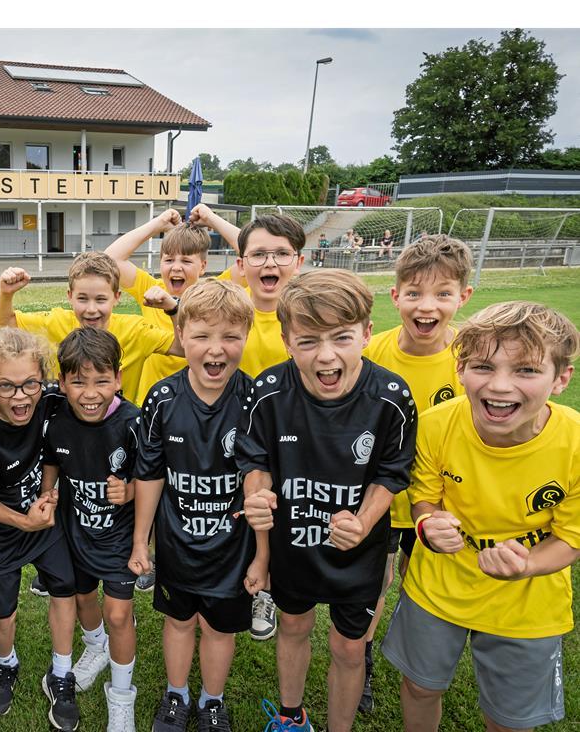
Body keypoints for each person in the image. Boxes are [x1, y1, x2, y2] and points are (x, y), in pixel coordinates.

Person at [382, 301, 580, 732]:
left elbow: (570, 538)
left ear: (561, 378)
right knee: (419, 687)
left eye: (526, 371)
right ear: (461, 369)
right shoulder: (435, 425)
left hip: (529, 605)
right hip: (438, 588)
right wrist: (427, 524)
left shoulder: (576, 443)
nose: (500, 386)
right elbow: (424, 499)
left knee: (509, 719)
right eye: (484, 367)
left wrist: (527, 564)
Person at [238, 269, 417, 732]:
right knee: (293, 627)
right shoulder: (268, 391)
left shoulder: (392, 396)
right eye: (308, 340)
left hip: (357, 552)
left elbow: (392, 471)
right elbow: (255, 461)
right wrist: (258, 500)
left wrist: (363, 519)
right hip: (293, 541)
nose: (326, 355)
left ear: (366, 333)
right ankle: (291, 717)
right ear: (285, 340)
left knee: (349, 647)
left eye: (341, 337)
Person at [129, 280, 264, 732]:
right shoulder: (163, 399)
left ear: (246, 336)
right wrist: (140, 542)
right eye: (202, 335)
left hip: (232, 546)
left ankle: (211, 701)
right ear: (181, 335)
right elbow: (150, 474)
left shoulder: (255, 400)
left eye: (230, 336)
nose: (216, 349)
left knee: (220, 628)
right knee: (180, 621)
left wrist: (263, 556)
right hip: (177, 541)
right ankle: (176, 695)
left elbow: (259, 481)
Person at [358, 234, 474, 713]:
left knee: (420, 583)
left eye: (443, 294)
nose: (428, 306)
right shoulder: (375, 354)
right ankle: (361, 660)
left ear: (464, 297)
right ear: (395, 296)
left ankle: (416, 662)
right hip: (381, 498)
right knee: (375, 584)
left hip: (441, 503)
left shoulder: (472, 360)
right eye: (415, 293)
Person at [0, 328, 80, 730]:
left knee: (64, 587)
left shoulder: (49, 400)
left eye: (29, 384)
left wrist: (48, 495)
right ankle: (6, 665)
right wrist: (22, 519)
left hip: (44, 521)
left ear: (43, 378)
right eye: (7, 387)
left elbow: (52, 448)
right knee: (2, 613)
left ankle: (61, 673)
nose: (21, 397)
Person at [42, 327, 141, 731]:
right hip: (75, 531)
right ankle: (95, 647)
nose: (90, 392)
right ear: (62, 381)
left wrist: (130, 489)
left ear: (118, 378)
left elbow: (157, 478)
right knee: (83, 598)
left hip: (119, 538)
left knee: (119, 616)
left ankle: (121, 698)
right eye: (77, 381)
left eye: (102, 380)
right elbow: (52, 459)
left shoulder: (133, 422)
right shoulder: (57, 419)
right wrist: (48, 493)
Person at [235, 213, 307, 641]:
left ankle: (272, 591)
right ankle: (241, 586)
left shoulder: (308, 316)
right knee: (242, 517)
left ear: (299, 262)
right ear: (240, 263)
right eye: (259, 254)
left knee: (287, 522)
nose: (271, 264)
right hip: (236, 439)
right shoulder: (232, 309)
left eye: (282, 254)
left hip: (294, 438)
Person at [0, 251, 182, 405]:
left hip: (118, 431)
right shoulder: (57, 322)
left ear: (116, 297)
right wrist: (6, 294)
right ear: (70, 296)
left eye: (101, 299)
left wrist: (173, 309)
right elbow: (5, 323)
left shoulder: (135, 331)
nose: (91, 310)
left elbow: (182, 348)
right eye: (82, 299)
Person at [103, 204, 243, 406]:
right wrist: (157, 224)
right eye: (168, 260)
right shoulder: (151, 288)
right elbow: (109, 259)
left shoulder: (214, 293)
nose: (176, 267)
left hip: (201, 402)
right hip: (153, 402)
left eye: (186, 261)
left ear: (203, 266)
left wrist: (213, 220)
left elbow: (253, 254)